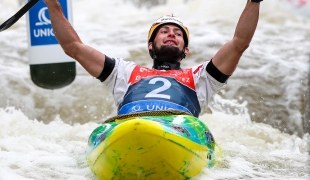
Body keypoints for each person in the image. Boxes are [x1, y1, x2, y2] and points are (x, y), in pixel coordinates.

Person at [43, 0, 262, 118]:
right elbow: (73, 47)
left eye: (178, 34)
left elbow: (239, 42)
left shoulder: (201, 78)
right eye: (164, 31)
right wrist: (52, 4)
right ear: (150, 45)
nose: (171, 34)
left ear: (186, 50)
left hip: (180, 132)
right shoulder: (123, 73)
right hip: (129, 127)